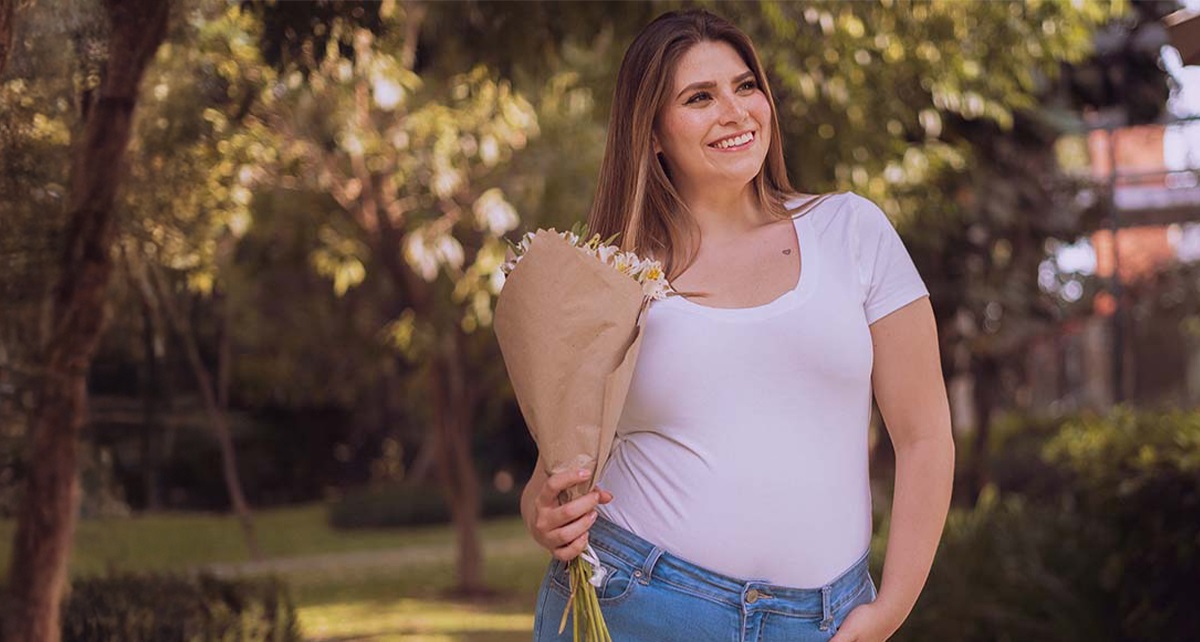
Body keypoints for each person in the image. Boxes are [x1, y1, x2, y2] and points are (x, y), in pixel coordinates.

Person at [519, 8, 954, 642]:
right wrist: (545, 515)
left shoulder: (851, 231)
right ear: (653, 132)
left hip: (824, 623)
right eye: (700, 97)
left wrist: (889, 610)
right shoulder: (612, 275)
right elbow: (550, 476)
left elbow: (925, 437)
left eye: (745, 86)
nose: (735, 111)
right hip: (642, 607)